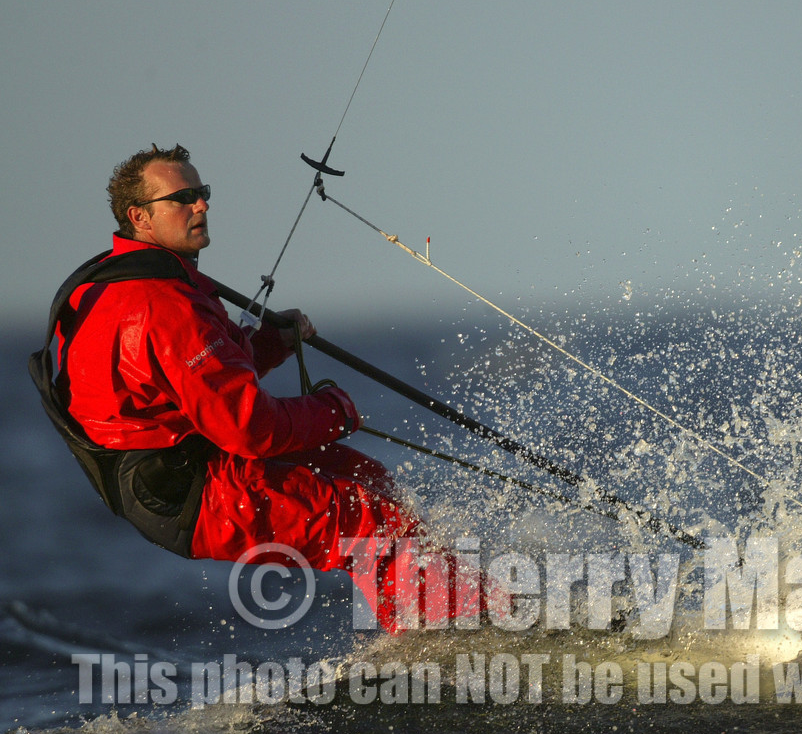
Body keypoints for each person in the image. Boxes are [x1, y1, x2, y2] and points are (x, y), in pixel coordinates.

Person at [31, 144, 490, 632]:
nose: (201, 205)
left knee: (367, 479)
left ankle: (479, 614)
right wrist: (333, 410)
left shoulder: (110, 283)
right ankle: (452, 646)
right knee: (366, 522)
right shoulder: (165, 304)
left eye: (202, 192)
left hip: (182, 466)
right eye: (182, 197)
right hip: (187, 488)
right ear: (139, 216)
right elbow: (250, 430)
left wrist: (269, 344)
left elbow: (190, 384)